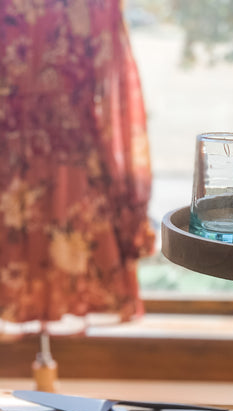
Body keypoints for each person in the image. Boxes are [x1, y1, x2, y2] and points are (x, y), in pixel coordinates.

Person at [0, 0, 155, 327]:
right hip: (70, 174)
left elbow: (120, 104)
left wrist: (131, 205)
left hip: (73, 181)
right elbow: (119, 107)